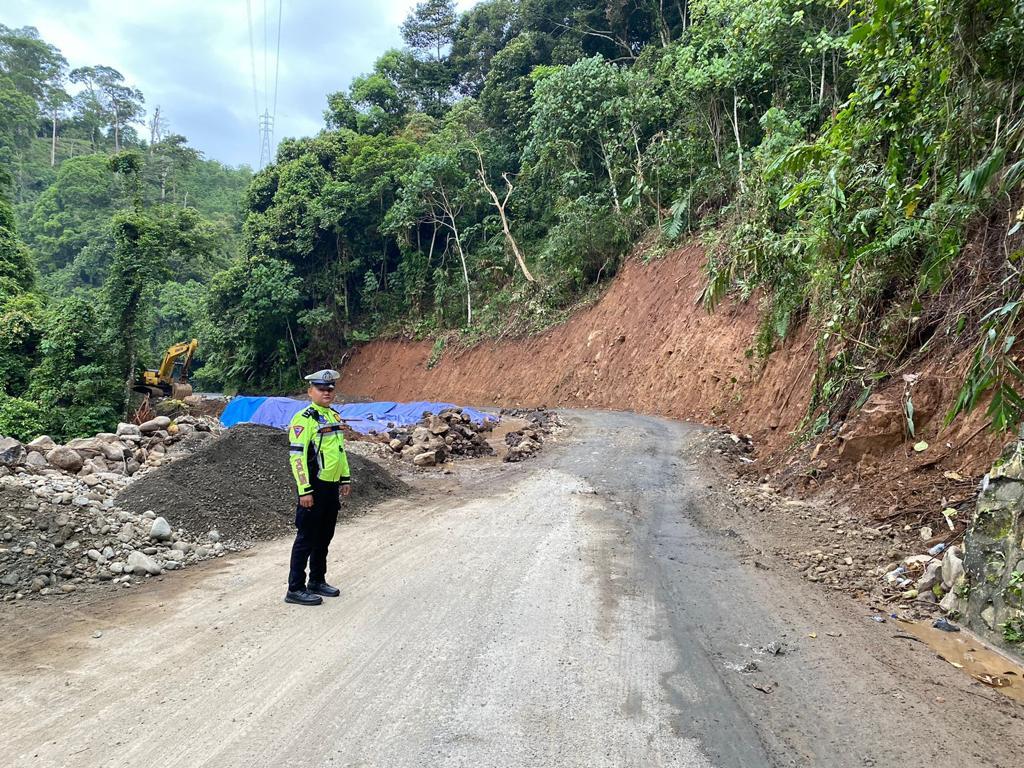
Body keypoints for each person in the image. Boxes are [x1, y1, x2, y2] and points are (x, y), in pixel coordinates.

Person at [285, 369, 351, 606]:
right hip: (313, 487)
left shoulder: (332, 417)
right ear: (310, 391)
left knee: (324, 536)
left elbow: (340, 452)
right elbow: (298, 458)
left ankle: (317, 580)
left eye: (330, 389)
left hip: (331, 487)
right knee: (306, 537)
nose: (327, 392)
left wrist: (345, 478)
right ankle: (295, 588)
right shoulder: (304, 419)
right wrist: (304, 490)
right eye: (322, 389)